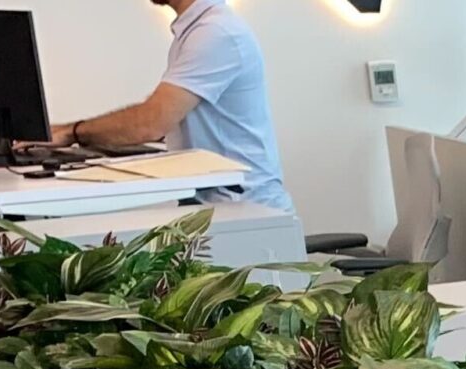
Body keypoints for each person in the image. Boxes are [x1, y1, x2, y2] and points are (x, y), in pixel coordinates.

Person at [48, 0, 292, 213]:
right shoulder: (198, 30)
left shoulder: (216, 33)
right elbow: (168, 121)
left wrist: (72, 132)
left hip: (245, 210)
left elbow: (149, 124)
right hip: (215, 204)